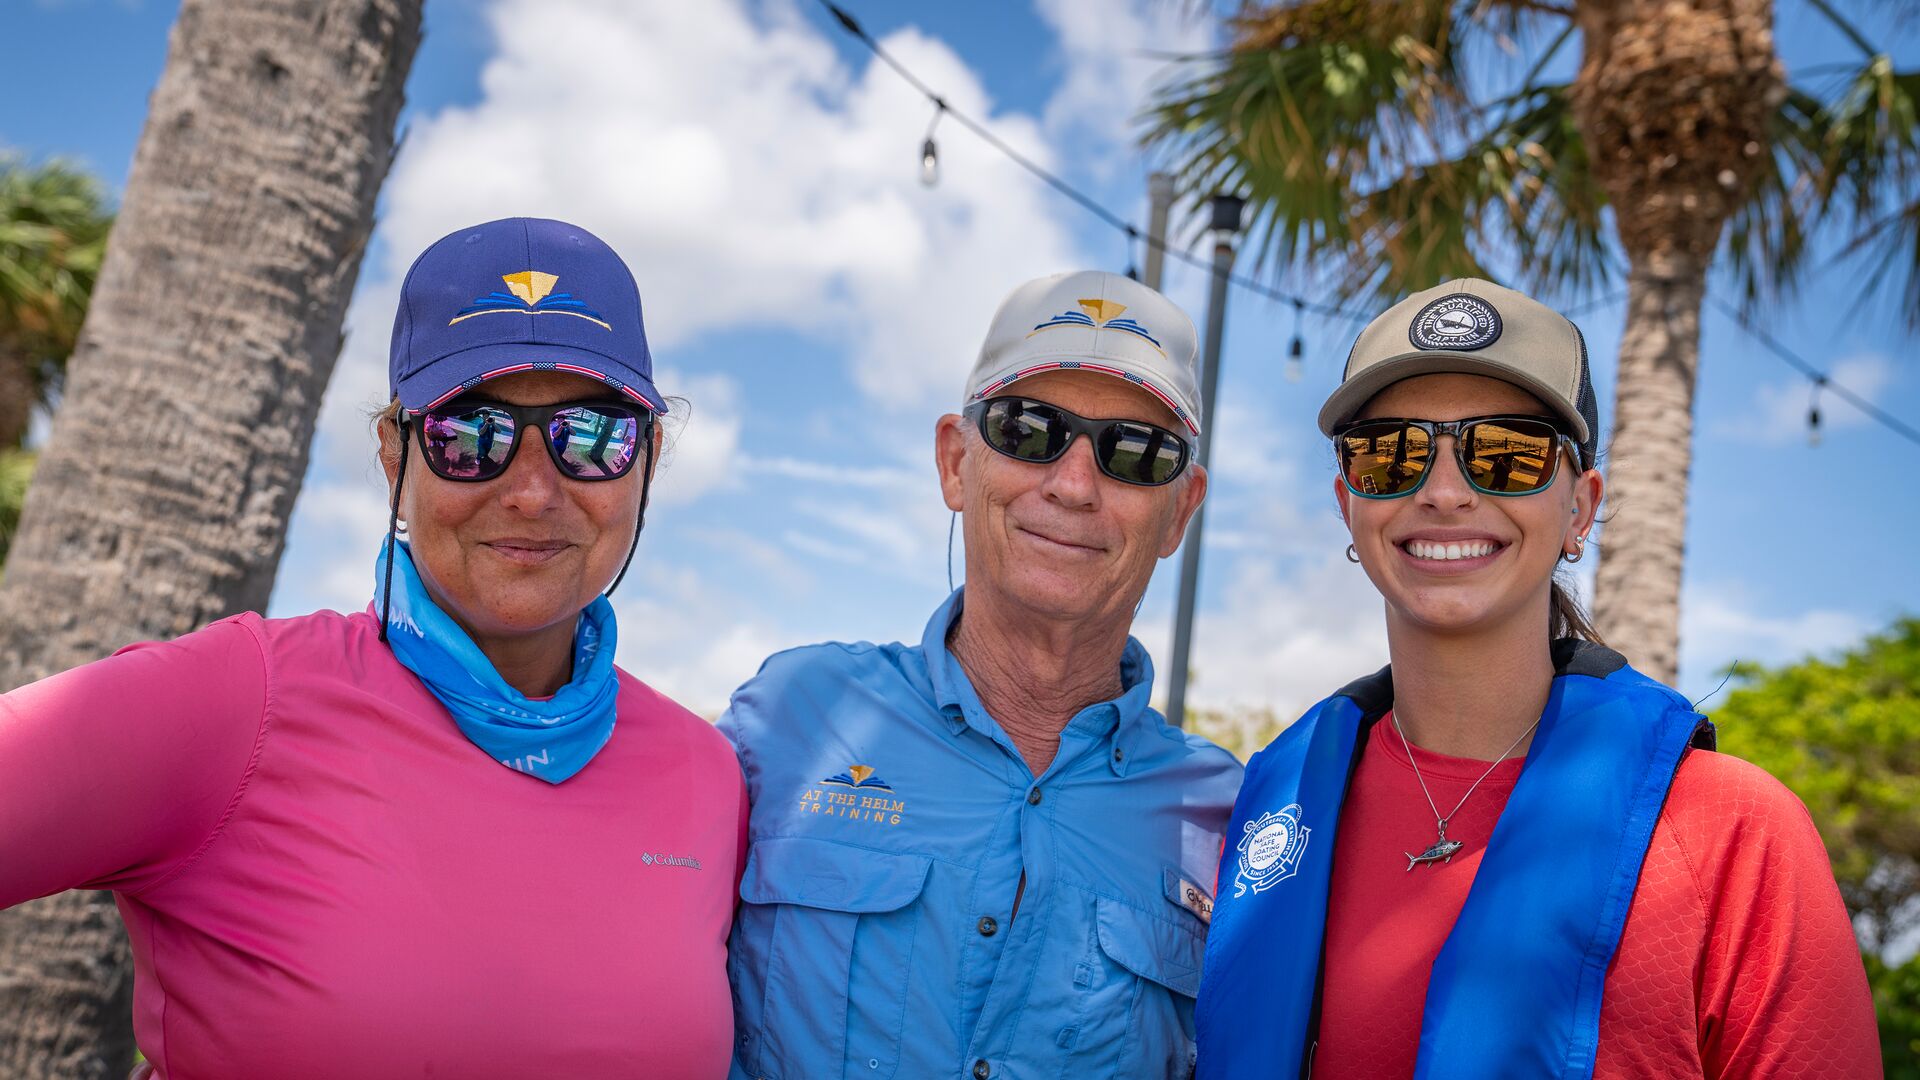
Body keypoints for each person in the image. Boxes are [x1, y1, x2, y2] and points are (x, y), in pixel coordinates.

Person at [0, 217, 745, 1078]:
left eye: (592, 438)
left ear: (644, 459)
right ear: (395, 456)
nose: (535, 492)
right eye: (471, 436)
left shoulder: (705, 772)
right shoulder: (239, 703)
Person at [1194, 279, 1882, 1078]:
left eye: (1507, 453)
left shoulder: (1734, 832)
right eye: (1392, 453)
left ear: (1581, 508)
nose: (1444, 491)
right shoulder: (1268, 821)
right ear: (1349, 502)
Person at [720, 271, 1244, 1079]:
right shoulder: (788, 719)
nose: (1073, 485)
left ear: (1181, 510)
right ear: (956, 463)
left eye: (1134, 454)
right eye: (1030, 430)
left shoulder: (1227, 819)